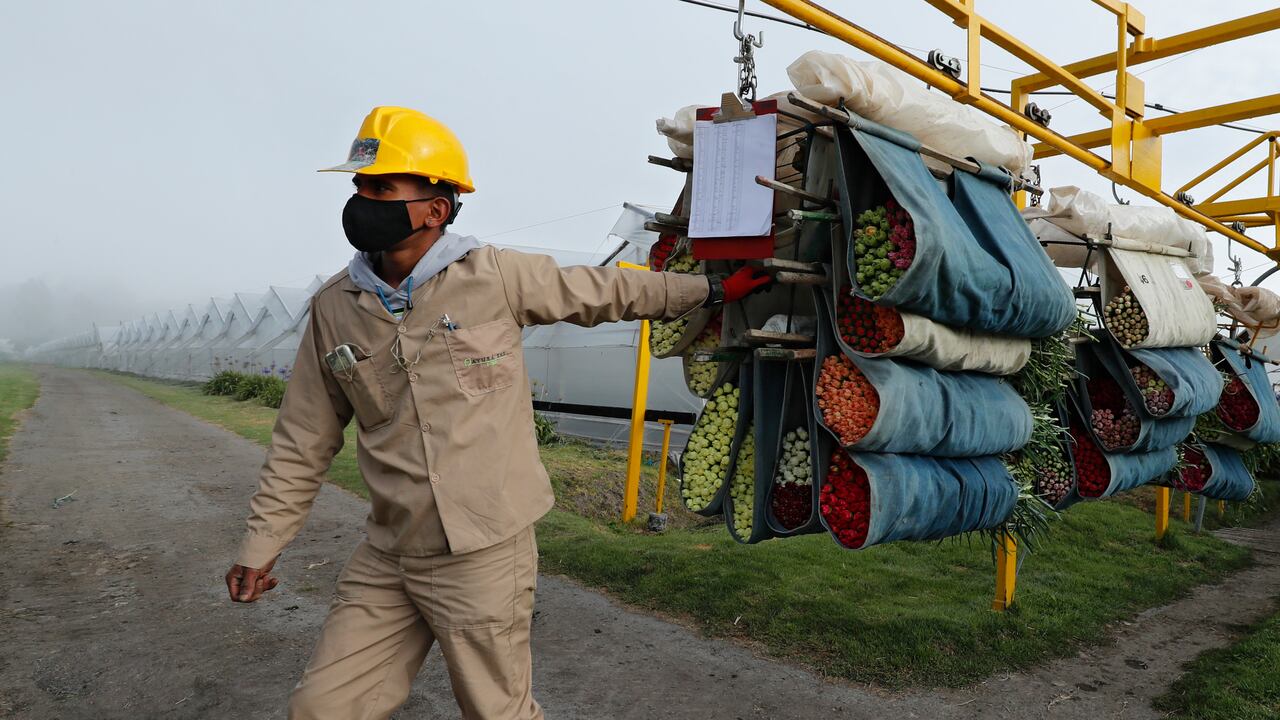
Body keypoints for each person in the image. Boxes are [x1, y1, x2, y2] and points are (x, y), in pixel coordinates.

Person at [223, 106, 772, 719]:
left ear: (436, 207)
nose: (361, 200)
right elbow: (303, 438)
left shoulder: (495, 277)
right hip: (388, 554)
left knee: (496, 711)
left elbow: (608, 290)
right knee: (322, 709)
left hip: (483, 551)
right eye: (358, 186)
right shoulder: (336, 307)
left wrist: (713, 291)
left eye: (381, 187)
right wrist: (261, 543)